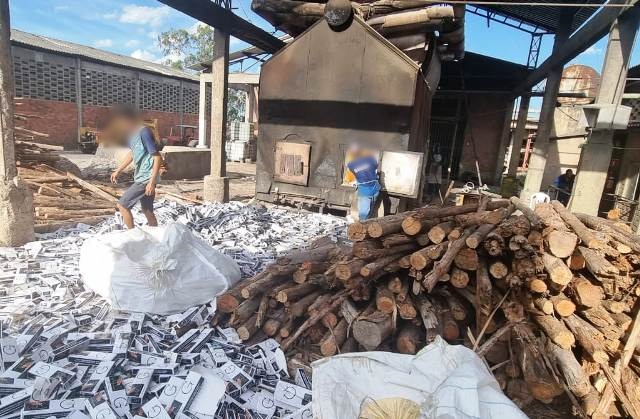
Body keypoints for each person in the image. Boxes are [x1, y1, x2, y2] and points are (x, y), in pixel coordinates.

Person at [109, 108, 162, 229]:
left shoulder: (144, 132)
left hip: (146, 177)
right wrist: (118, 170)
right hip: (143, 176)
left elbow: (157, 157)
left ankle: (132, 235)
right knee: (147, 210)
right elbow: (132, 154)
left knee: (122, 206)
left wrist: (152, 182)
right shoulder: (130, 136)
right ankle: (156, 236)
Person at [346, 145, 381, 221]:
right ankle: (366, 226)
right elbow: (375, 166)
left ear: (352, 154)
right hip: (375, 188)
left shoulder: (351, 165)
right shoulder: (370, 159)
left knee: (364, 214)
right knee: (370, 212)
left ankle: (362, 227)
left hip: (365, 190)